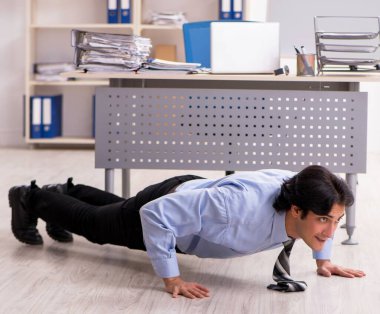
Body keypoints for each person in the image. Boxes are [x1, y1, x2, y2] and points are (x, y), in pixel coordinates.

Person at [9, 165, 365, 299]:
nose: (330, 228)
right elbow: (154, 215)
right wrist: (171, 278)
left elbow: (321, 218)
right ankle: (29, 197)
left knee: (112, 211)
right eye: (325, 221)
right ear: (296, 210)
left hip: (195, 200)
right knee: (98, 228)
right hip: (172, 205)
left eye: (336, 221)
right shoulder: (234, 209)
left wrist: (324, 258)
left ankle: (65, 194)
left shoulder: (304, 195)